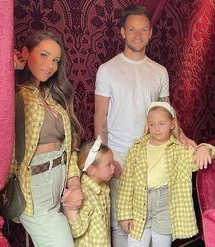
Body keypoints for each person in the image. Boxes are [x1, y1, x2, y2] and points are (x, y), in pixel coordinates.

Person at [94, 4, 195, 246]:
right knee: (123, 222)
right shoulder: (107, 70)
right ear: (122, 32)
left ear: (150, 33)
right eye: (132, 29)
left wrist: (182, 137)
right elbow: (100, 117)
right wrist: (104, 158)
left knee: (155, 224)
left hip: (154, 157)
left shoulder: (159, 72)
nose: (137, 35)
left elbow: (168, 112)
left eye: (143, 30)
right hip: (120, 156)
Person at [12, 30, 83, 247]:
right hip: (34, 190)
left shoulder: (53, 98)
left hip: (59, 185)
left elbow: (68, 148)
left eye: (55, 60)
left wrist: (74, 183)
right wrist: (10, 68)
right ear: (25, 53)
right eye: (43, 55)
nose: (50, 65)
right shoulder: (13, 94)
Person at [116, 102, 215, 247]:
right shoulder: (136, 149)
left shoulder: (181, 150)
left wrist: (204, 148)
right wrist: (124, 215)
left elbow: (207, 155)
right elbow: (126, 185)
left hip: (165, 205)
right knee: (135, 243)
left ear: (172, 124)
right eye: (152, 124)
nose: (156, 129)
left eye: (161, 123)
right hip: (139, 202)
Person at [63, 136, 115, 246]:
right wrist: (70, 209)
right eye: (108, 165)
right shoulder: (84, 195)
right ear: (91, 170)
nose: (113, 168)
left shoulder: (104, 188)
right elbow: (76, 231)